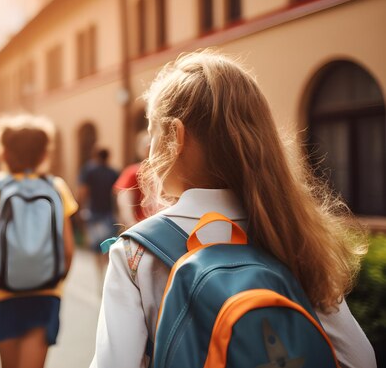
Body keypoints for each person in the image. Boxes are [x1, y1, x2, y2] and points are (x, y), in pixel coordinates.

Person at [90, 51, 376, 368]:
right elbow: (360, 359)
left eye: (153, 133)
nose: (150, 154)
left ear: (176, 136)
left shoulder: (136, 254)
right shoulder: (288, 231)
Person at [0, 114, 78, 368]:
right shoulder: (56, 187)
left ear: (3, 153)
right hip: (45, 291)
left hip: (2, 290)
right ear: (43, 154)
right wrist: (55, 279)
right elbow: (68, 249)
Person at [78, 148, 119, 280]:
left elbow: (84, 191)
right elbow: (117, 194)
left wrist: (80, 208)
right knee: (107, 247)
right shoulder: (113, 172)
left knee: (96, 247)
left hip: (94, 213)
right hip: (108, 214)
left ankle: (100, 277)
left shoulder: (89, 170)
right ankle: (107, 275)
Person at [113, 132, 152, 229]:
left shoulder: (164, 173)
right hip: (141, 227)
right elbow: (124, 199)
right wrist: (131, 224)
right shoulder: (134, 172)